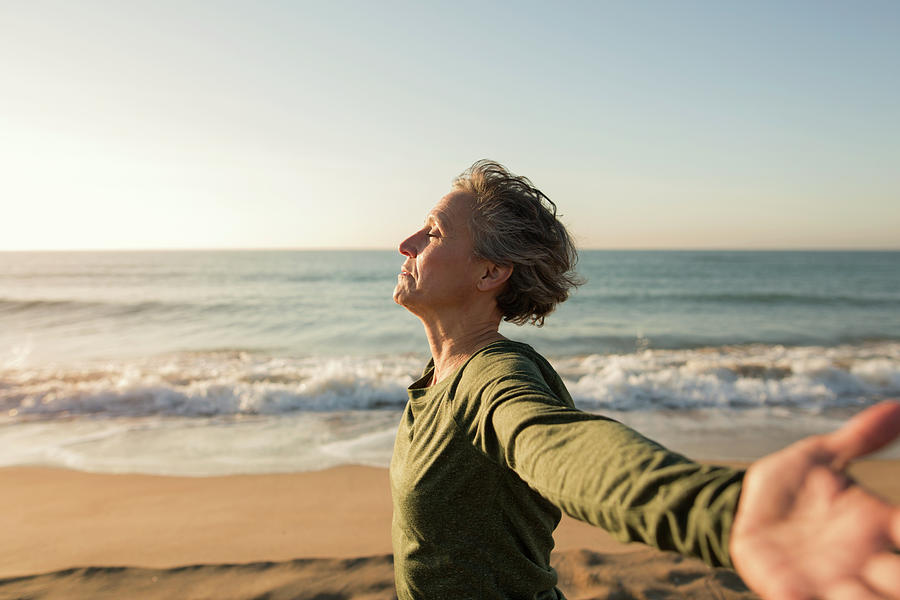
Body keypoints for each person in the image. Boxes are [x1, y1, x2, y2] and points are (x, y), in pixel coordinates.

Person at [390, 159, 900, 600]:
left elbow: (559, 445)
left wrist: (725, 510)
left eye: (433, 233)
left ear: (490, 273)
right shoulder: (435, 380)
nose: (406, 244)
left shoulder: (493, 379)